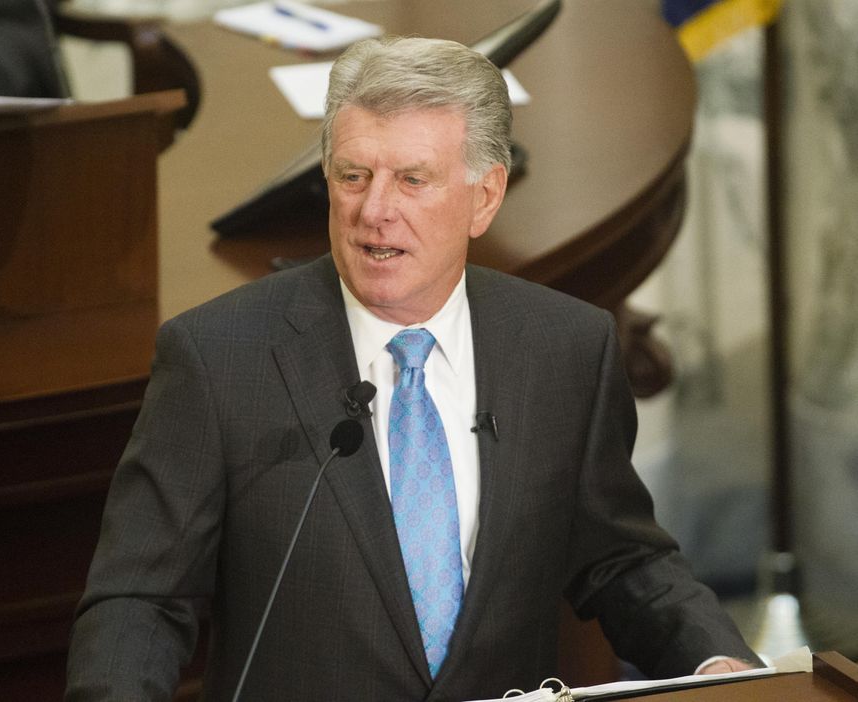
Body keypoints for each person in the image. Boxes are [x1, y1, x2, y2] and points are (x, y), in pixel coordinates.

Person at [65, 36, 761, 701]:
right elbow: (140, 602)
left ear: (485, 197)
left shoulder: (564, 349)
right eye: (353, 176)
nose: (375, 211)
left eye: (412, 180)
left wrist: (716, 661)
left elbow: (620, 557)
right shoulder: (221, 358)